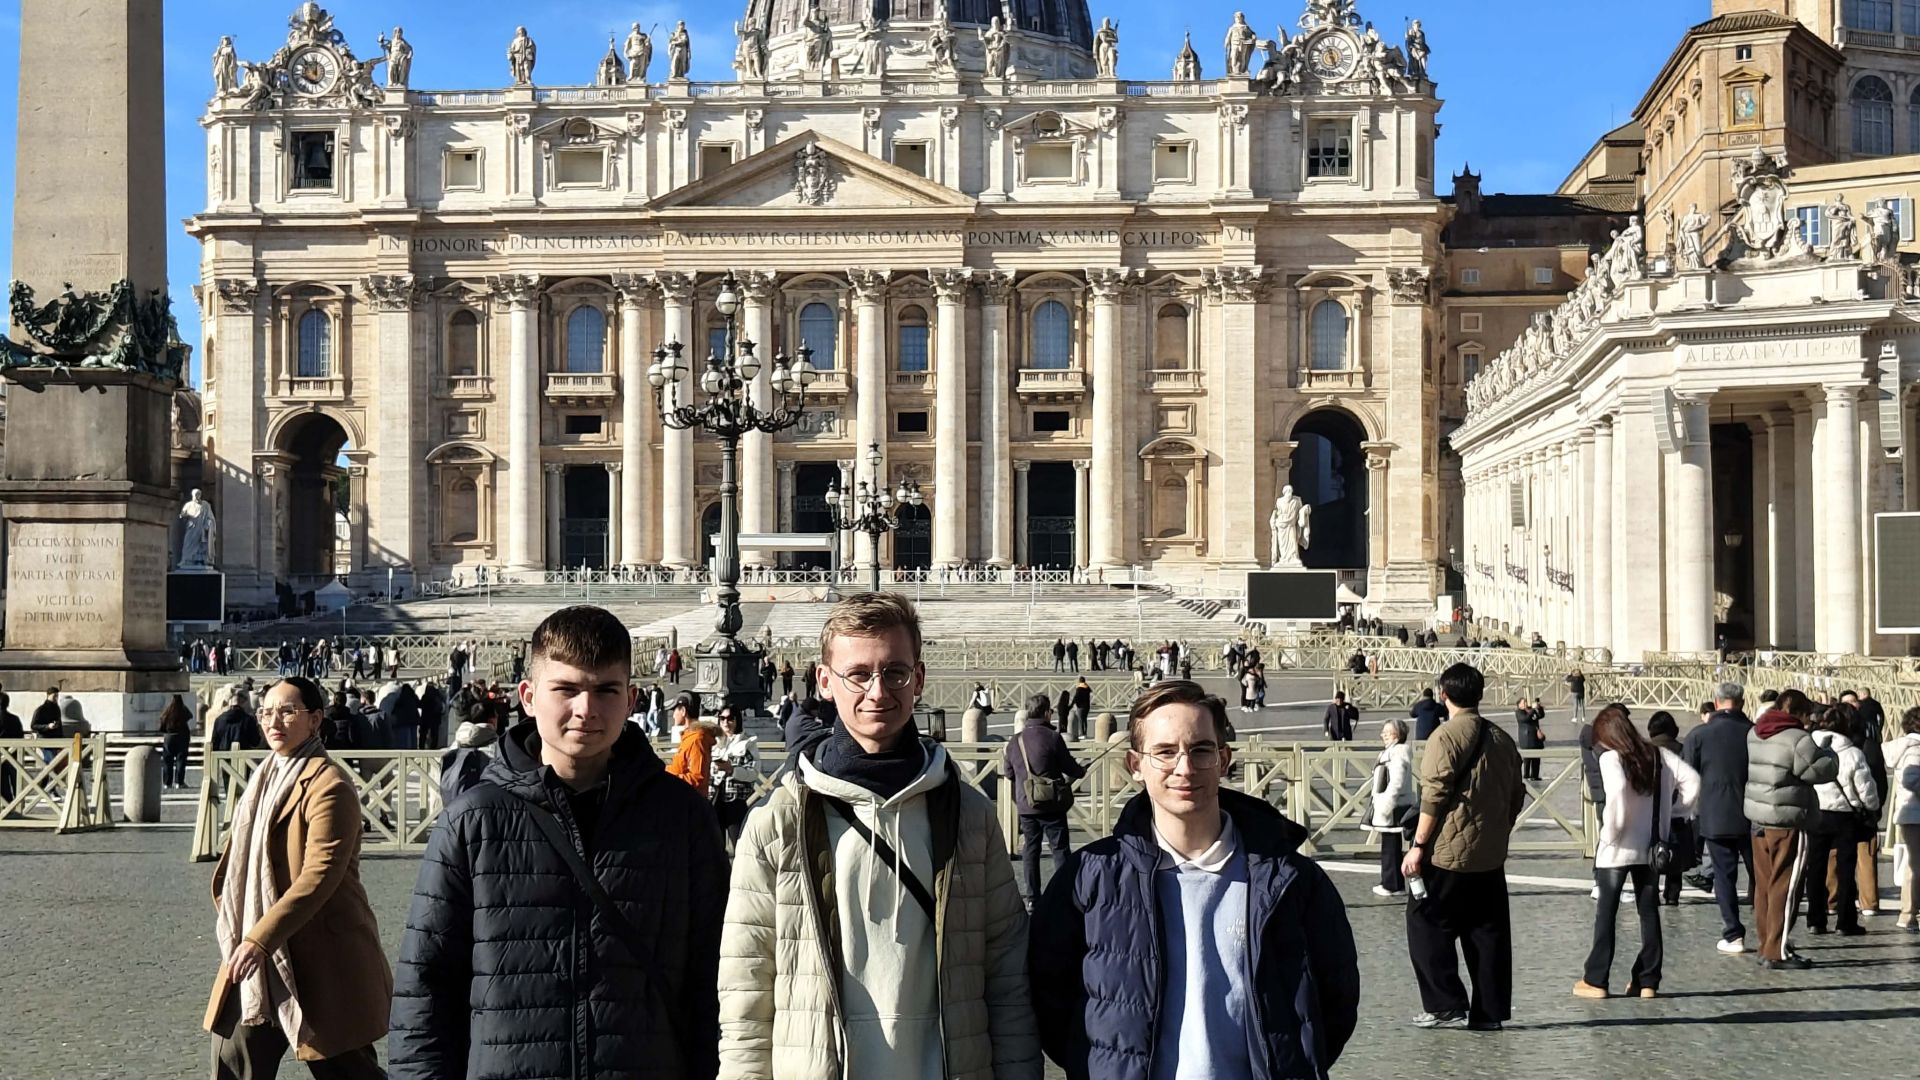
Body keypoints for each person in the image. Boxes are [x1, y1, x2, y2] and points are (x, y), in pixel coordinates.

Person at [390, 605, 728, 1079]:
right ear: (528, 697)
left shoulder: (683, 816)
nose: (586, 710)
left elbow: (715, 976)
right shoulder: (471, 820)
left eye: (606, 690)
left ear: (631, 699)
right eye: (566, 689)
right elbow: (425, 986)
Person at [718, 593, 1039, 1079]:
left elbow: (1007, 977)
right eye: (858, 674)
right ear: (825, 682)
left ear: (919, 678)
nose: (878, 691)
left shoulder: (971, 816)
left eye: (895, 673)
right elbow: (747, 990)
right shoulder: (775, 821)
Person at [1030, 679, 1359, 1078]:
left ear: (1224, 759)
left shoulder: (1294, 880)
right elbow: (1049, 998)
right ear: (1136, 765)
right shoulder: (1087, 878)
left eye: (1201, 750)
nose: (1184, 768)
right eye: (1165, 752)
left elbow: (1336, 1002)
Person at [202, 676, 390, 1079]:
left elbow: (319, 875)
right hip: (256, 951)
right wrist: (249, 934)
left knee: (346, 1070)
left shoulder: (330, 785)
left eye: (288, 711)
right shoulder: (262, 778)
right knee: (234, 1060)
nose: (275, 721)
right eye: (266, 712)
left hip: (319, 955)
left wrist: (259, 939)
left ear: (315, 719)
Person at [1402, 662, 1525, 1031]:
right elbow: (1516, 794)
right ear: (1480, 694)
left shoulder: (1445, 737)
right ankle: (1489, 1013)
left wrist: (1418, 845)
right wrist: (1499, 831)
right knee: (1487, 933)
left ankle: (1445, 1003)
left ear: (1444, 694)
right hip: (1489, 855)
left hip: (1445, 854)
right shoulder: (1502, 738)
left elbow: (1434, 795)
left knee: (1425, 923)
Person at [1573, 706, 1700, 1000]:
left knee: (1607, 913)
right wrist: (1674, 814)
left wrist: (1611, 832)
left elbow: (1617, 792)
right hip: (1651, 846)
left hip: (1617, 848)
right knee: (1648, 912)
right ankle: (1647, 980)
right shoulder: (1658, 755)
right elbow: (1693, 782)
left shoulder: (1611, 758)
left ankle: (1596, 980)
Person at [1744, 688, 1839, 969]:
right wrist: (1828, 752)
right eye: (1807, 715)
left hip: (1758, 818)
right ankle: (1778, 951)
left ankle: (1766, 944)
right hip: (1788, 820)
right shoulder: (1797, 738)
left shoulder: (1755, 733)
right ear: (1798, 713)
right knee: (1786, 887)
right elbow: (1819, 771)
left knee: (1764, 886)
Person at [1682, 682, 1755, 953]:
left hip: (1715, 814)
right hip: (1754, 813)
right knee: (1762, 875)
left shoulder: (1699, 735)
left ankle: (1733, 934)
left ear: (1715, 702)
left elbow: (1687, 777)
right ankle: (1771, 931)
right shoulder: (1754, 733)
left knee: (1724, 876)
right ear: (1742, 703)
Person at [1004, 692, 1085, 908]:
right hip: (1052, 804)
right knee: (1060, 849)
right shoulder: (1052, 737)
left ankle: (1032, 898)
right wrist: (1081, 770)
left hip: (1026, 804)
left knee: (1031, 850)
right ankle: (1064, 894)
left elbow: (1009, 773)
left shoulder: (1015, 741)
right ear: (1047, 713)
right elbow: (1070, 767)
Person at [1806, 703, 1880, 937]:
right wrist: (1872, 807)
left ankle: (1815, 919)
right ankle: (1845, 921)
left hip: (1817, 813)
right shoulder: (1853, 753)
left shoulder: (1811, 748)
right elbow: (1866, 789)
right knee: (1846, 869)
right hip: (1844, 815)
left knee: (1816, 867)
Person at [1835, 690, 1890, 918]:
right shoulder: (1868, 745)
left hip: (1837, 809)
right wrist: (1875, 807)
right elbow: (1879, 780)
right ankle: (1869, 902)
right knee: (1865, 856)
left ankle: (1833, 900)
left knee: (1834, 856)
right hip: (1863, 809)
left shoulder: (1827, 745)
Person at [1645, 711, 1693, 905]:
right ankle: (1672, 894)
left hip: (1652, 810)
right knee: (1676, 853)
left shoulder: (1646, 751)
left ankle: (1651, 892)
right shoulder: (1683, 750)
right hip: (1677, 810)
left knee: (1652, 853)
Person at [1368, 718, 1417, 896]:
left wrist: (1385, 804)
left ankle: (1392, 885)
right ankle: (1392, 883)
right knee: (1390, 845)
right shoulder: (1393, 752)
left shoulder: (1397, 753)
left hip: (1393, 806)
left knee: (1390, 846)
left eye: (1387, 733)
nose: (1383, 735)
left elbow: (1396, 781)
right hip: (1391, 804)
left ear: (1397, 735)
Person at [1885, 707, 1920, 931]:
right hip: (1916, 813)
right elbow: (1911, 779)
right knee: (1915, 865)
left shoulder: (1907, 747)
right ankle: (1908, 913)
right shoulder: (1915, 750)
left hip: (1910, 812)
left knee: (1913, 863)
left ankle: (1909, 911)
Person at [712, 707, 759, 847]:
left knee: (740, 845)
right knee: (715, 847)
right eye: (722, 718)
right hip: (714, 798)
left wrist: (732, 770)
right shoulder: (713, 742)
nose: (726, 722)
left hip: (736, 800)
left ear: (737, 720)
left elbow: (754, 772)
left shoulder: (748, 742)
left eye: (730, 718)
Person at [666, 692, 720, 798]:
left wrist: (668, 777)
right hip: (684, 798)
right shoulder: (690, 737)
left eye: (674, 710)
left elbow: (697, 778)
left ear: (683, 711)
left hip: (691, 801)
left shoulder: (697, 739)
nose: (673, 715)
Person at [158, 694, 195, 789]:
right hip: (182, 736)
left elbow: (162, 720)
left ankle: (167, 782)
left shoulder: (168, 710)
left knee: (168, 761)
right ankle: (179, 782)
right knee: (181, 760)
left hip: (169, 737)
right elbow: (190, 716)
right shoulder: (183, 710)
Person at [1513, 697, 1545, 781]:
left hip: (1535, 738)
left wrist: (1539, 708)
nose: (1526, 704)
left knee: (1536, 758)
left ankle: (1535, 775)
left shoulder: (1530, 710)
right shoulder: (1519, 712)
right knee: (1527, 759)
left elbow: (1541, 715)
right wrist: (1533, 710)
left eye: (1526, 702)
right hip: (1526, 738)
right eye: (1523, 702)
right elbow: (1525, 719)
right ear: (1519, 705)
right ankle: (1526, 776)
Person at [1069, 676, 1092, 741]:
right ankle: (1085, 733)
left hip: (1081, 706)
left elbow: (1076, 697)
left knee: (1080, 720)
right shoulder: (1087, 688)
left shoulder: (1079, 689)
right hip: (1087, 706)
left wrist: (1072, 705)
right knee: (1084, 719)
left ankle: (1082, 734)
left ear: (1079, 681)